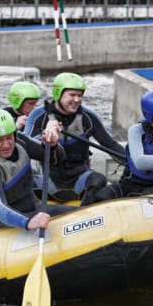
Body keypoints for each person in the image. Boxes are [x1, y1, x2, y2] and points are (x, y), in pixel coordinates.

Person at [24, 72, 126, 206]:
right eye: (72, 95)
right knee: (24, 179)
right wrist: (44, 134)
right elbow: (23, 146)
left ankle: (83, 215)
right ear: (58, 94)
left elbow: (111, 146)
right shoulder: (39, 116)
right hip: (49, 182)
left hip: (80, 181)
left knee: (98, 179)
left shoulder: (88, 117)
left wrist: (133, 163)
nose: (77, 100)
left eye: (80, 95)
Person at [0, 109, 75, 231]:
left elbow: (58, 158)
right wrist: (28, 222)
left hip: (31, 209)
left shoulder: (21, 141)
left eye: (9, 138)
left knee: (77, 215)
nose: (6, 145)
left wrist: (53, 146)